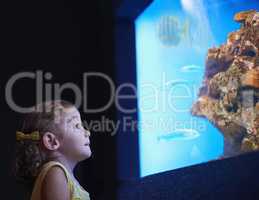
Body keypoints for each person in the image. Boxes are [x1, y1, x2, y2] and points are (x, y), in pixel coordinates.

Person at [15, 100, 92, 200]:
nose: (87, 132)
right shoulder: (56, 173)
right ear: (51, 141)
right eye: (77, 126)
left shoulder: (63, 176)